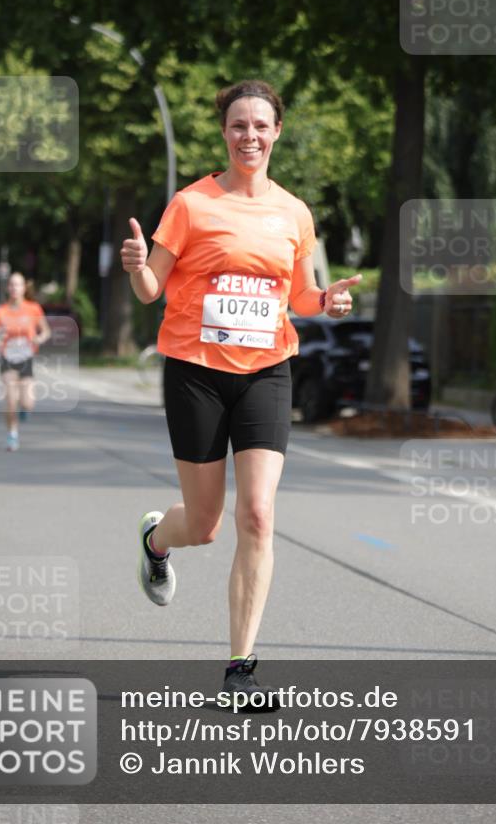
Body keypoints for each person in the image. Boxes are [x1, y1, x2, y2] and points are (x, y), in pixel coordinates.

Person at [121, 80, 361, 704]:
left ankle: (240, 669)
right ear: (223, 133)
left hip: (266, 372)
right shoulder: (192, 204)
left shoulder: (294, 212)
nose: (248, 135)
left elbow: (300, 296)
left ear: (276, 131)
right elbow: (153, 290)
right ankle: (155, 540)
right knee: (203, 526)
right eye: (237, 125)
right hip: (196, 372)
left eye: (259, 125)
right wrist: (136, 266)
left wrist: (327, 302)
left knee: (257, 515)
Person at [0, 273, 51, 451]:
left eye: (18, 285)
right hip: (7, 357)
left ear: (24, 288)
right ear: (8, 288)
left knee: (28, 402)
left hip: (26, 358)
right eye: (12, 285)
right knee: (11, 399)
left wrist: (39, 338)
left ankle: (24, 410)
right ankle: (12, 435)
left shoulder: (33, 309)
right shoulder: (1, 312)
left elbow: (46, 331)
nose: (15, 288)